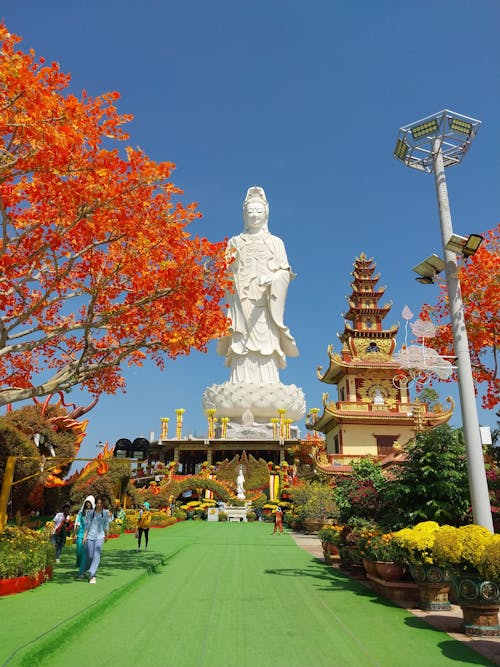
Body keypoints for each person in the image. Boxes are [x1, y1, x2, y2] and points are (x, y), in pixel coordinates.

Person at [216, 186, 299, 384]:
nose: (254, 216)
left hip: (265, 304)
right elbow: (225, 272)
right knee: (240, 343)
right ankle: (239, 382)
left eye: (258, 211)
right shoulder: (235, 241)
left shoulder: (276, 242)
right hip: (240, 302)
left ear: (266, 214)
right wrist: (228, 273)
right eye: (250, 211)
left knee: (267, 343)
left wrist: (274, 279)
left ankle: (269, 382)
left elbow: (285, 271)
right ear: (244, 214)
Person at [83, 497, 110, 584]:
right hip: (90, 536)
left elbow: (106, 524)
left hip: (100, 536)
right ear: (95, 504)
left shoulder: (105, 513)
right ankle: (88, 568)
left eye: (100, 503)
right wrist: (85, 536)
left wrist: (107, 534)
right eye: (97, 503)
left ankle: (92, 574)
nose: (99, 505)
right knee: (90, 556)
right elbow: (87, 525)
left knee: (97, 555)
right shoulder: (91, 513)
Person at [74, 495, 95, 579]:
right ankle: (81, 565)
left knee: (85, 554)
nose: (88, 504)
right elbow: (78, 523)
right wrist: (75, 533)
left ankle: (82, 571)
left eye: (90, 503)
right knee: (79, 552)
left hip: (89, 536)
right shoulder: (81, 513)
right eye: (87, 503)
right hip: (80, 534)